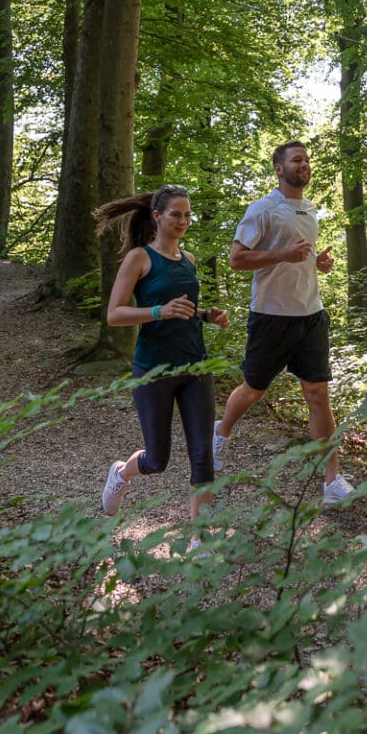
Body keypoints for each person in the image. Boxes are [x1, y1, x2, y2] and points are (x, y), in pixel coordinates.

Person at [211, 142, 355, 506]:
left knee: (318, 394)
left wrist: (316, 264)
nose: (304, 165)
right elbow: (237, 259)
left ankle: (332, 481)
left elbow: (299, 259)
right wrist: (284, 255)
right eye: (296, 160)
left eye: (306, 160)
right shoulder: (262, 209)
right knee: (254, 390)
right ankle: (221, 432)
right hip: (271, 316)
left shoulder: (309, 210)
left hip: (311, 315)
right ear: (279, 169)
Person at [96, 185, 230, 543]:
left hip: (196, 367)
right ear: (157, 216)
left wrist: (205, 315)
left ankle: (200, 541)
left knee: (202, 457)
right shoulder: (139, 258)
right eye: (176, 214)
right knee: (157, 460)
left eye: (188, 215)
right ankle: (122, 474)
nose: (184, 221)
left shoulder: (189, 259)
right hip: (154, 370)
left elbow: (181, 310)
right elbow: (114, 315)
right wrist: (159, 311)